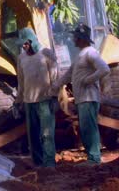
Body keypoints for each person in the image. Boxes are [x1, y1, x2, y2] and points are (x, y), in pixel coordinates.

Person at [51, 23, 110, 165]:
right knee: (85, 128)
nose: (73, 39)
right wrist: (56, 85)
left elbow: (104, 69)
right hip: (82, 99)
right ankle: (92, 157)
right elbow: (69, 74)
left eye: (76, 37)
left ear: (82, 39)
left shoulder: (91, 52)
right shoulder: (80, 56)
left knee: (89, 128)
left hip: (89, 98)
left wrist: (87, 80)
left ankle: (95, 159)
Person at [15, 28, 58, 167]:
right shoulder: (21, 59)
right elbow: (21, 82)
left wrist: (55, 97)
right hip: (29, 102)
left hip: (45, 101)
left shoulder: (46, 53)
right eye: (22, 44)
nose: (23, 46)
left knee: (46, 134)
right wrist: (18, 101)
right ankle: (38, 163)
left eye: (25, 43)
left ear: (31, 41)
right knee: (32, 136)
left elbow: (55, 78)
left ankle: (49, 163)